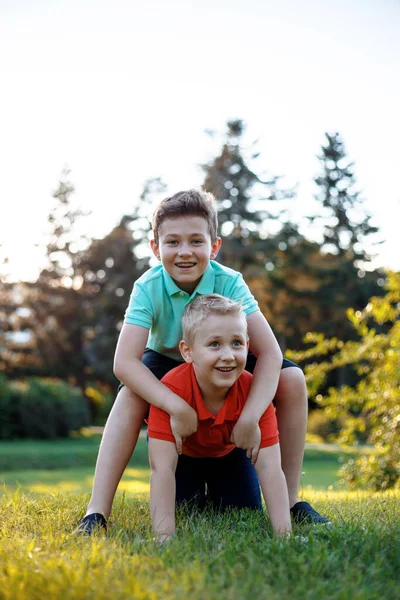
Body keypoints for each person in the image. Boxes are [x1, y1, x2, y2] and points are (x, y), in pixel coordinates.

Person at [78, 189, 330, 534]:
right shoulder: (148, 286)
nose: (184, 252)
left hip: (224, 357)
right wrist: (176, 407)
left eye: (196, 241)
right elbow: (124, 362)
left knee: (292, 379)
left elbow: (269, 353)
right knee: (131, 391)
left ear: (214, 246)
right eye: (173, 242)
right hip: (169, 360)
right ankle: (96, 512)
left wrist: (251, 417)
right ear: (156, 248)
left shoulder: (230, 282)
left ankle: (290, 501)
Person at [148, 294, 292, 540]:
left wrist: (284, 536)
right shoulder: (171, 390)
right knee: (185, 508)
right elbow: (162, 470)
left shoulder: (256, 393)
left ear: (247, 346)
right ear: (188, 351)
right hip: (184, 461)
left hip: (230, 457)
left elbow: (270, 468)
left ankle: (221, 488)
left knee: (243, 510)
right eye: (215, 344)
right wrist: (163, 537)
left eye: (236, 343)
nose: (228, 355)